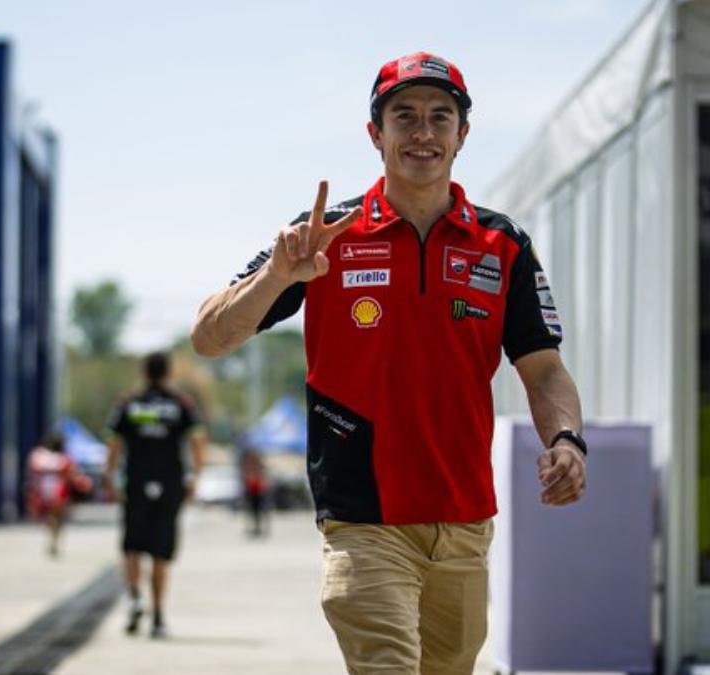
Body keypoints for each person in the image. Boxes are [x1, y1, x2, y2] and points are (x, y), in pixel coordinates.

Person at [189, 52, 587, 674]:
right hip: (363, 519)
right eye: (404, 117)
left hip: (463, 520)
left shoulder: (501, 243)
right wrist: (276, 275)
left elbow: (544, 369)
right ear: (376, 135)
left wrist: (566, 438)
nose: (423, 133)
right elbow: (209, 337)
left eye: (439, 117)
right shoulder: (323, 235)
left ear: (463, 134)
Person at [102, 351, 207, 639]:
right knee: (161, 552)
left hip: (134, 484)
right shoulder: (181, 403)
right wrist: (194, 476)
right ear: (167, 373)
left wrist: (109, 476)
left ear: (144, 373)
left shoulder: (128, 402)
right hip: (170, 485)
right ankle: (158, 614)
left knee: (131, 547)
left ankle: (135, 598)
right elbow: (198, 441)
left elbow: (113, 442)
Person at [25, 432, 81, 557]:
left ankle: (52, 539)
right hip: (59, 490)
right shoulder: (64, 458)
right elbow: (71, 475)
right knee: (58, 518)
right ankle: (54, 540)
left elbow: (32, 472)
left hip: (43, 489)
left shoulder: (39, 456)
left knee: (49, 517)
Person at [240, 448, 269, 538]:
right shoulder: (249, 466)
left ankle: (259, 528)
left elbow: (263, 477)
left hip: (258, 490)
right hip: (251, 490)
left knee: (259, 510)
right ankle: (255, 528)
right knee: (252, 510)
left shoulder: (257, 466)